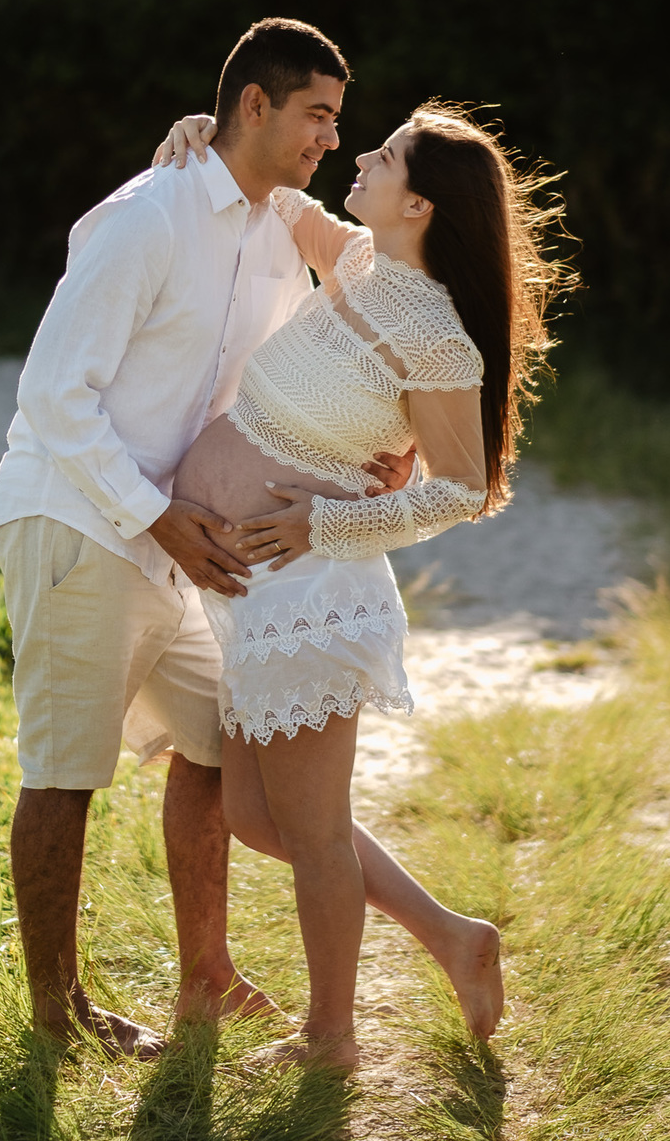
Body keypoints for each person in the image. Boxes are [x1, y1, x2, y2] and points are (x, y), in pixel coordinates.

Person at [0, 16, 504, 1058]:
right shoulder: (195, 222)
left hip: (240, 565)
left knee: (246, 780)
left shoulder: (340, 260)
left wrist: (360, 486)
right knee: (100, 776)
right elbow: (54, 391)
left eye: (360, 135)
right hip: (107, 525)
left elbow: (445, 453)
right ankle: (61, 1017)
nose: (341, 143)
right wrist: (204, 130)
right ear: (256, 106)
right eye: (321, 116)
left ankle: (258, 998)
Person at [162, 98, 565, 1070]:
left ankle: (331, 1039)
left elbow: (463, 488)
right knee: (259, 817)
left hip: (312, 593)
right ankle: (453, 936)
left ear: (418, 204)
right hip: (256, 595)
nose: (361, 158)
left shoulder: (439, 337)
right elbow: (279, 194)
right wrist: (201, 135)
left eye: (383, 157)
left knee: (312, 835)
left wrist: (326, 523)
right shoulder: (357, 259)